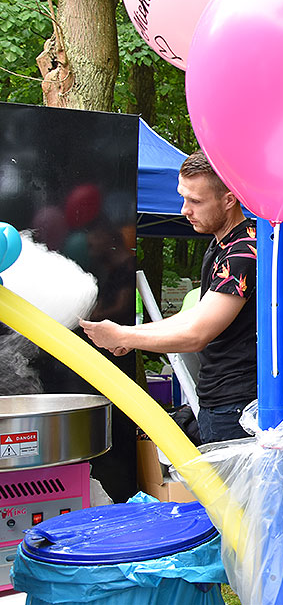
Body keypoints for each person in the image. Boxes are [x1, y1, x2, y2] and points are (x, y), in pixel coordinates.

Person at [81, 150, 257, 444]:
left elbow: (196, 334)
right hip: (223, 399)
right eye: (183, 197)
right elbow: (196, 315)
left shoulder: (242, 252)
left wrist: (123, 335)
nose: (184, 210)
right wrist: (129, 335)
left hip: (236, 404)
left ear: (229, 199)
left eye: (196, 201)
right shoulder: (225, 244)